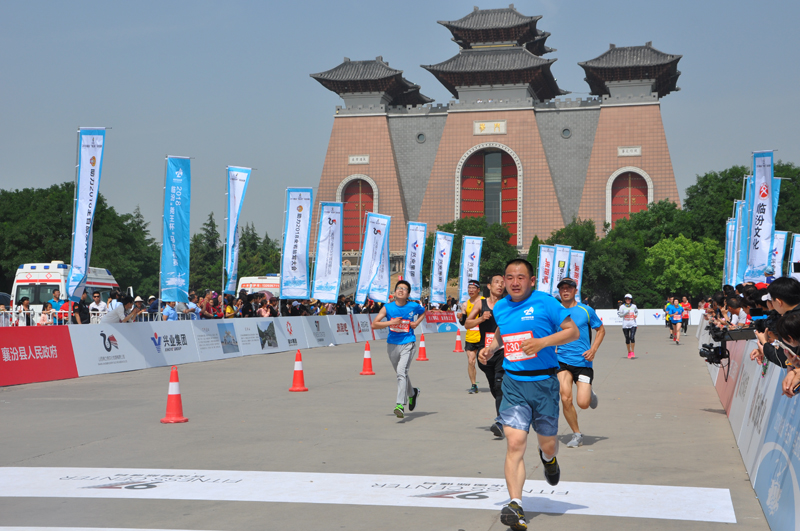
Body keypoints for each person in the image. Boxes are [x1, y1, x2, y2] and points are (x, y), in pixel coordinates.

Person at [478, 259, 579, 531]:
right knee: (515, 443)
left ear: (531, 280)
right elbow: (502, 332)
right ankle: (515, 504)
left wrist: (542, 343)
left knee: (548, 444)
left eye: (520, 277)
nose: (514, 282)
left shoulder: (546, 302)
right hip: (513, 385)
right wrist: (491, 348)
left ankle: (548, 459)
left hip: (544, 384)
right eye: (509, 277)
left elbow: (572, 331)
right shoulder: (501, 306)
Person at [555, 278, 605, 448]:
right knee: (565, 397)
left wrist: (593, 349)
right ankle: (577, 434)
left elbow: (601, 330)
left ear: (575, 291)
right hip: (562, 360)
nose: (565, 291)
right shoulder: (555, 311)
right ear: (559, 292)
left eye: (569, 288)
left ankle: (589, 393)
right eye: (562, 288)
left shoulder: (586, 310)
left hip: (583, 361)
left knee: (583, 403)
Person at [371, 280, 427, 419]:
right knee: (401, 374)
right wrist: (391, 322)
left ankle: (399, 405)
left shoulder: (413, 306)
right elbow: (374, 324)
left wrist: (416, 323)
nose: (401, 290)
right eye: (399, 288)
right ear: (395, 292)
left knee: (401, 373)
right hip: (392, 344)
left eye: (404, 289)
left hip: (408, 343)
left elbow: (423, 312)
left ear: (408, 294)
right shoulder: (387, 307)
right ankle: (412, 393)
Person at [465, 272, 506, 438]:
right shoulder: (481, 304)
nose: (500, 285)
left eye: (502, 282)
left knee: (499, 384)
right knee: (494, 388)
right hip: (484, 353)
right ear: (489, 286)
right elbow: (467, 323)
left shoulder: (507, 303)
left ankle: (500, 422)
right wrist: (481, 319)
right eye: (497, 282)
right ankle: (505, 412)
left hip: (502, 350)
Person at [458, 280, 484, 394]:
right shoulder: (465, 304)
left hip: (483, 336)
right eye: (469, 288)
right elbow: (463, 323)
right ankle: (474, 385)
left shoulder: (484, 301)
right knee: (471, 361)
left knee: (486, 363)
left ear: (478, 290)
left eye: (473, 288)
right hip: (471, 336)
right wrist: (460, 317)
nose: (471, 290)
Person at [617, 294, 638, 358]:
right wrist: (625, 314)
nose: (627, 300)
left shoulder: (634, 306)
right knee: (627, 338)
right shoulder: (622, 307)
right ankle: (629, 351)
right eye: (626, 299)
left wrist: (636, 315)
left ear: (631, 299)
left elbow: (636, 312)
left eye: (629, 299)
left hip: (633, 324)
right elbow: (620, 315)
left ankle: (632, 351)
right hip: (625, 325)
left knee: (632, 337)